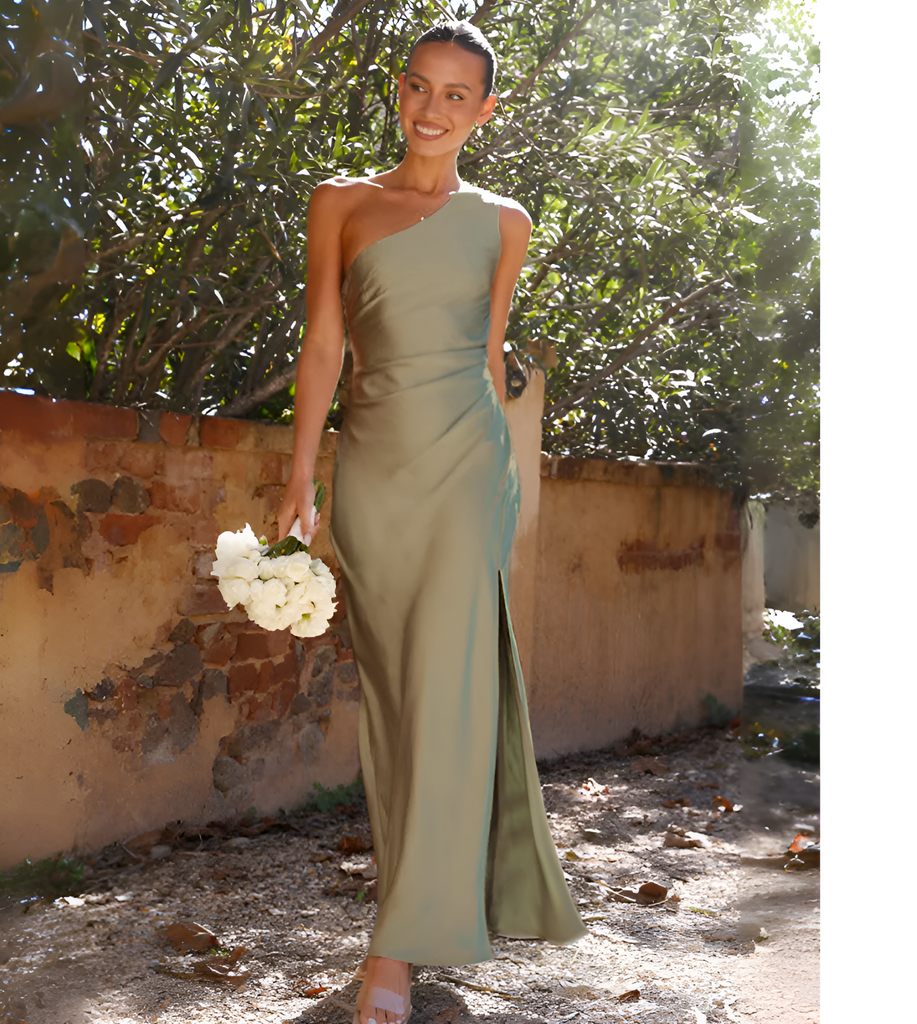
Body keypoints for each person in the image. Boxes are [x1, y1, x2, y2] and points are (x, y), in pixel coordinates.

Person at [275, 20, 587, 1024]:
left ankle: (393, 957)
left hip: (465, 475)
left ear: (485, 112)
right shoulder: (340, 204)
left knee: (449, 701)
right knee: (401, 704)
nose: (433, 109)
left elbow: (490, 356)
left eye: (458, 95)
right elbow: (323, 347)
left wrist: (504, 486)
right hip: (373, 472)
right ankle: (420, 912)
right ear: (397, 92)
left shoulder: (504, 221)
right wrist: (300, 478)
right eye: (420, 88)